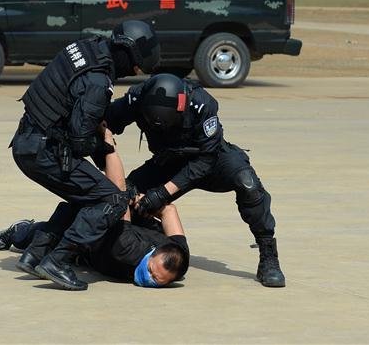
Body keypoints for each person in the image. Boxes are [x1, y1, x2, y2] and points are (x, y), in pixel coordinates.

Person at [10, 20, 159, 290]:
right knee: (112, 200)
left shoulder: (88, 48)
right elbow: (80, 141)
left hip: (28, 142)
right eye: (136, 67)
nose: (132, 73)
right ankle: (59, 260)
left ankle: (34, 255)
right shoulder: (98, 82)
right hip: (45, 151)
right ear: (127, 54)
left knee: (90, 196)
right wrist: (105, 143)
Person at [105, 73, 286, 287]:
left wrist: (162, 194)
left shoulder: (202, 104)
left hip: (211, 160)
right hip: (169, 160)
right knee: (124, 193)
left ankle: (268, 256)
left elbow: (205, 161)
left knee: (248, 183)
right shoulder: (139, 96)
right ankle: (121, 244)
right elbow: (107, 121)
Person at [0, 125, 189, 287]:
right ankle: (17, 231)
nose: (149, 279)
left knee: (61, 239)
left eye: (157, 281)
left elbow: (169, 212)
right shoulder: (128, 248)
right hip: (96, 224)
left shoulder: (178, 258)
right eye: (151, 271)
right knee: (42, 234)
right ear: (152, 255)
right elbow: (118, 194)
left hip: (89, 249)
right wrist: (109, 144)